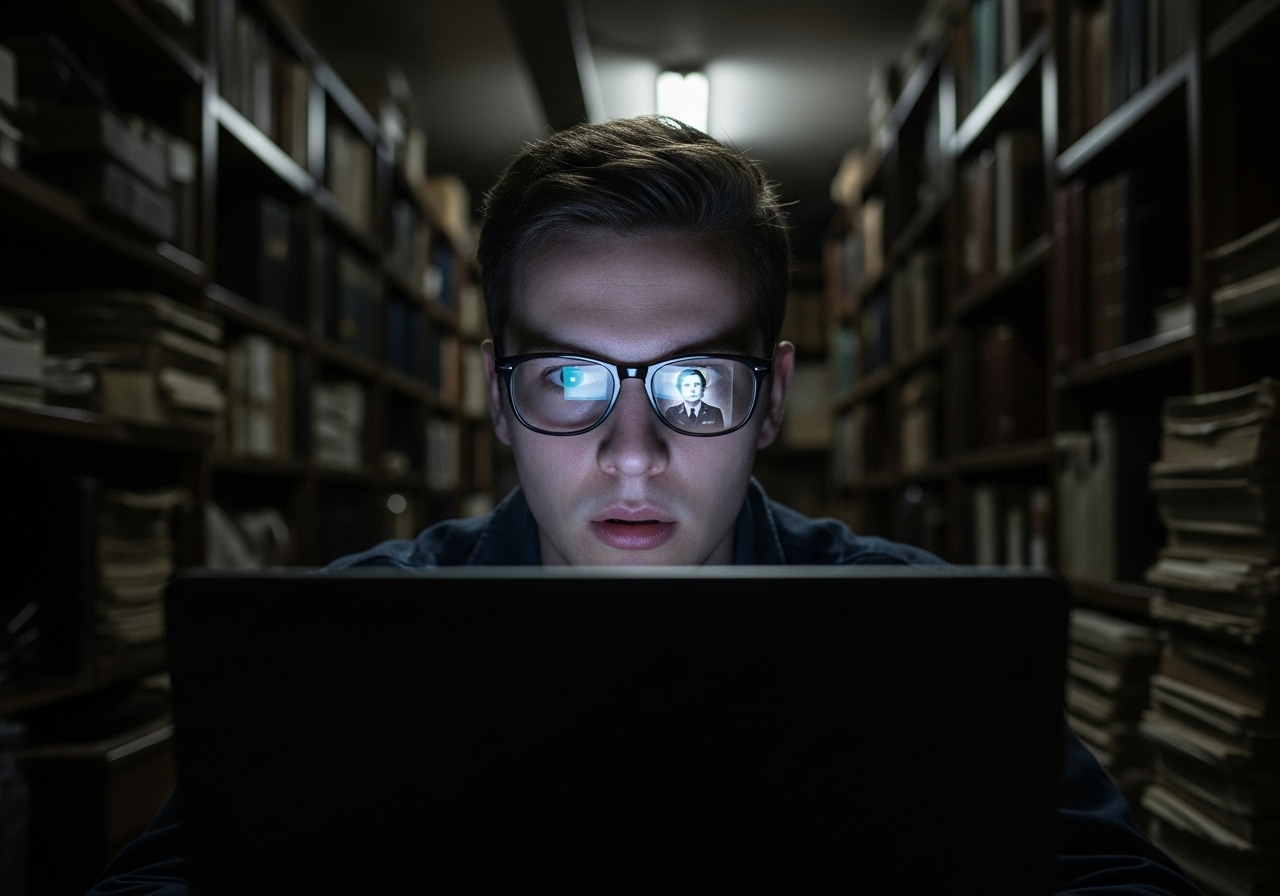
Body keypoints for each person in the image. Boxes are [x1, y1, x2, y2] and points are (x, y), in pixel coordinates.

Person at [90, 116, 1201, 894]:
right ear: (499, 398)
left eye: (696, 381)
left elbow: (1115, 880)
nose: (633, 456)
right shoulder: (342, 642)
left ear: (771, 398)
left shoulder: (929, 639)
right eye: (570, 377)